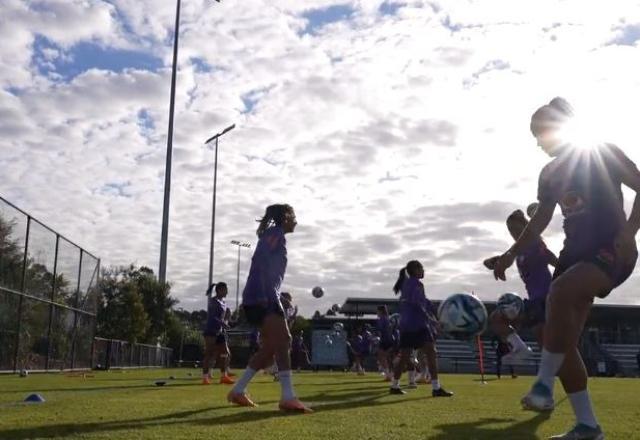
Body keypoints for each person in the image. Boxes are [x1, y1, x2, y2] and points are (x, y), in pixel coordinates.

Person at [488, 97, 640, 439]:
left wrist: (629, 232)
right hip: (574, 255)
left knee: (559, 292)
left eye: (539, 132)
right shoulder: (550, 173)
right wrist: (511, 253)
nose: (537, 141)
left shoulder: (603, 152)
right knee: (563, 344)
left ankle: (542, 385)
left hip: (611, 249)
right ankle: (588, 425)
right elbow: (541, 218)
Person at [227, 204, 311, 413]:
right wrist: (267, 295)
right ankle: (287, 397)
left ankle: (238, 390)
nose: (296, 221)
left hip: (259, 296)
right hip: (262, 298)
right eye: (293, 216)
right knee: (284, 340)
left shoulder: (274, 234)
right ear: (285, 217)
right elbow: (261, 260)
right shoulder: (275, 233)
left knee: (273, 346)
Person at [484, 209, 557, 363]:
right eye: (510, 230)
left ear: (525, 227)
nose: (512, 232)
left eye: (515, 228)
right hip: (533, 300)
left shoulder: (536, 244)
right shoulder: (518, 249)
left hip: (546, 298)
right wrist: (495, 262)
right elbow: (491, 262)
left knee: (546, 344)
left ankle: (550, 377)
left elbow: (554, 260)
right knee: (497, 319)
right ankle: (520, 348)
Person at [389, 260, 453, 397]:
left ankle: (394, 385)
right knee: (431, 353)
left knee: (405, 356)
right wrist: (432, 320)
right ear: (415, 270)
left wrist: (436, 308)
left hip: (406, 325)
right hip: (418, 325)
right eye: (421, 268)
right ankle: (436, 388)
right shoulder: (417, 284)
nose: (424, 271)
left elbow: (423, 301)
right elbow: (418, 304)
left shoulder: (407, 284)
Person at [202, 282, 234, 385]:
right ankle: (205, 377)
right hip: (211, 331)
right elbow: (213, 317)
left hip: (220, 331)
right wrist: (222, 323)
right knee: (209, 354)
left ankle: (223, 376)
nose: (227, 292)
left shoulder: (223, 302)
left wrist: (226, 322)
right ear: (220, 290)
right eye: (225, 289)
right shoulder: (213, 301)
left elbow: (223, 317)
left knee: (225, 353)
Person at [376, 305, 395, 381]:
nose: (377, 312)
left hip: (385, 340)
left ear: (380, 311)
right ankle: (390, 374)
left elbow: (380, 329)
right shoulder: (388, 318)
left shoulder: (382, 319)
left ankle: (388, 374)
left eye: (377, 311)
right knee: (388, 358)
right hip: (389, 339)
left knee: (381, 356)